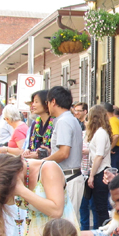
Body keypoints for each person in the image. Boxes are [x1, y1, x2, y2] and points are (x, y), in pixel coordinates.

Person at [45, 86, 84, 217]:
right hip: (71, 177)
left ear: (53, 102)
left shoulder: (64, 121)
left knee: (67, 225)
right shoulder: (70, 119)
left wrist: (41, 163)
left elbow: (64, 153)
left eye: (47, 102)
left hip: (69, 177)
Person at [85, 104, 113, 227]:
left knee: (101, 208)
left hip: (101, 172)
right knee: (97, 207)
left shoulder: (101, 133)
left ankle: (103, 234)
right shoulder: (100, 132)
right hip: (99, 171)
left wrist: (91, 175)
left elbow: (99, 156)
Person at [105, 102, 119, 170]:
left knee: (112, 173)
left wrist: (109, 148)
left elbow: (116, 135)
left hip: (114, 150)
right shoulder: (114, 120)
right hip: (115, 149)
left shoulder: (112, 121)